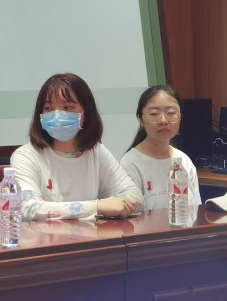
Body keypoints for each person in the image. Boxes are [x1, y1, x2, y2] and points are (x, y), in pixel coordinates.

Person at [10, 72, 142, 220]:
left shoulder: (96, 151)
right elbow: (28, 208)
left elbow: (134, 195)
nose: (57, 116)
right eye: (48, 108)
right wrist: (97, 207)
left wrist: (113, 205)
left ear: (86, 114)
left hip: (92, 233)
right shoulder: (25, 156)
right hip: (45, 235)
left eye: (68, 107)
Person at [119, 84, 202, 211]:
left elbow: (195, 211)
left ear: (179, 117)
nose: (163, 120)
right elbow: (131, 216)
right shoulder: (131, 164)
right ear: (141, 120)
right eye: (154, 113)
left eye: (171, 113)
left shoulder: (184, 161)